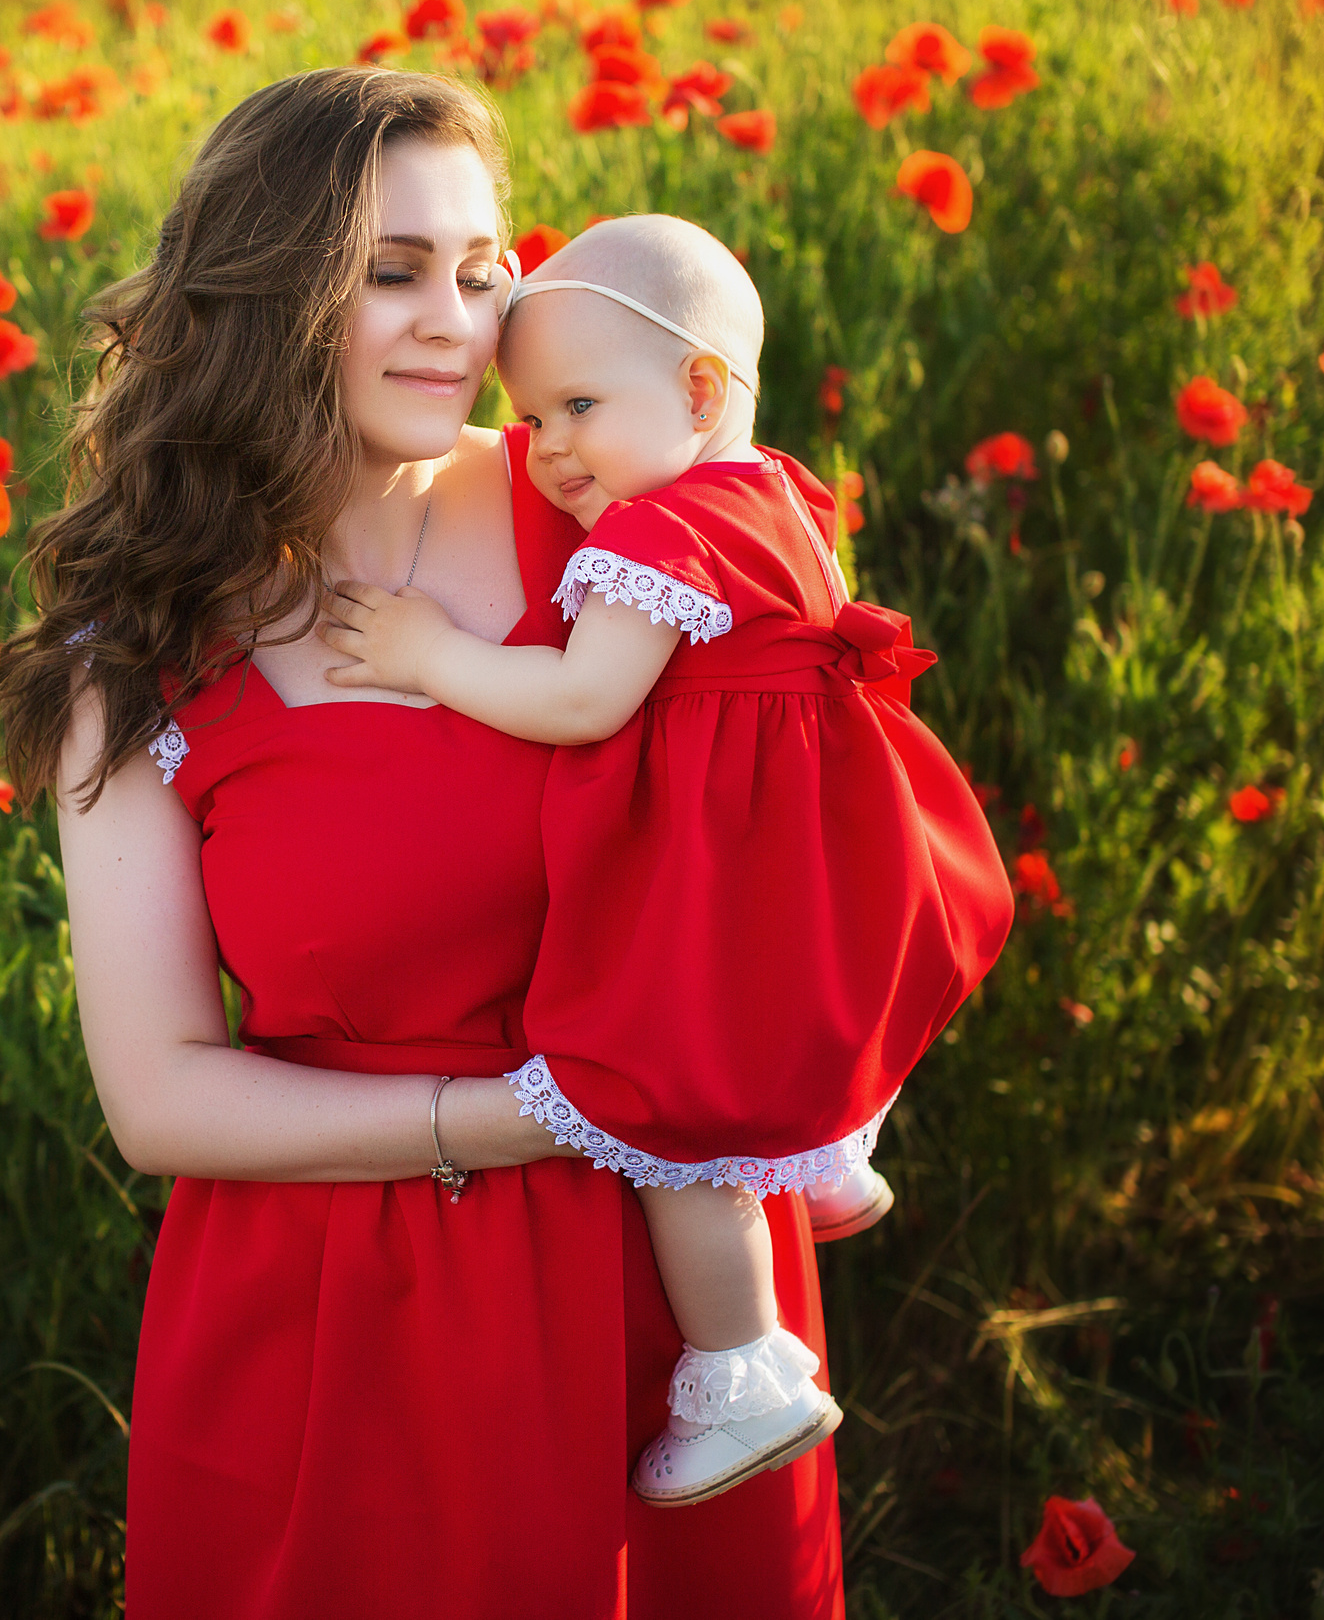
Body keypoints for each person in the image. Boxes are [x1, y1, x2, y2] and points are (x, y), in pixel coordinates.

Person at [0, 74, 845, 1614]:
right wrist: (544, 1111)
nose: (455, 320)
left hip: (677, 1291)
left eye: (480, 266)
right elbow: (160, 1100)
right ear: (262, 299)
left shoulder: (610, 513)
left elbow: (810, 784)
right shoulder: (140, 652)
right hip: (343, 1318)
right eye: (389, 273)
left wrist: (813, 1073)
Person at [319, 215, 1016, 1508]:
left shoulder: (657, 537)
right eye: (531, 419)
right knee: (780, 1020)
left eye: (579, 406)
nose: (550, 448)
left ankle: (743, 1366)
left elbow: (585, 700)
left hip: (721, 861)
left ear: (701, 389)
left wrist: (429, 659)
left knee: (666, 1100)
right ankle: (820, 1154)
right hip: (810, 842)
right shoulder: (777, 493)